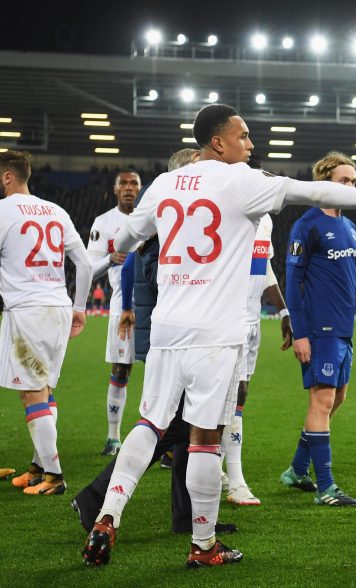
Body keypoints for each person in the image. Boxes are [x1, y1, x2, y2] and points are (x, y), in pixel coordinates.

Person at [81, 103, 356, 569]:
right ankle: (203, 547)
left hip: (166, 328)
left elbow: (122, 242)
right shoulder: (242, 180)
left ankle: (108, 516)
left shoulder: (163, 184)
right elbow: (316, 190)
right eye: (243, 136)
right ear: (217, 142)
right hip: (217, 333)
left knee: (149, 424)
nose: (251, 144)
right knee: (205, 438)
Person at [71, 147, 239, 537]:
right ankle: (96, 498)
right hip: (177, 338)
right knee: (173, 427)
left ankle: (185, 515)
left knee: (184, 428)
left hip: (172, 334)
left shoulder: (165, 218)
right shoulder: (172, 220)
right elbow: (132, 263)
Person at [280, 151, 356, 506]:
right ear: (323, 184)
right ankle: (326, 487)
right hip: (318, 327)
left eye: (354, 182)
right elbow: (292, 280)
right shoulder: (307, 225)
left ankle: (298, 469)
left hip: (344, 328)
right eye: (344, 182)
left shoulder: (349, 227)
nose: (351, 187)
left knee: (336, 398)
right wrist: (299, 332)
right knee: (323, 398)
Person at [0, 149, 92, 495]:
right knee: (45, 390)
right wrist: (79, 307)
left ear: (8, 177)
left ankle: (54, 476)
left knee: (31, 392)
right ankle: (39, 467)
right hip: (58, 307)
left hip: (27, 310)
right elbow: (83, 265)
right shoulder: (55, 210)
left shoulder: (2, 211)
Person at [221, 156, 294, 507]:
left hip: (251, 319)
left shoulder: (264, 221)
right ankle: (234, 480)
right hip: (225, 318)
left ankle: (218, 469)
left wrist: (282, 309)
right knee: (225, 398)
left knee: (239, 396)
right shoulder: (229, 214)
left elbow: (262, 266)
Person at [87, 169, 142, 456]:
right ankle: (113, 437)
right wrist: (109, 258)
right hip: (122, 304)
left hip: (157, 303)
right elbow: (88, 268)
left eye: (134, 183)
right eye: (124, 184)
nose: (130, 188)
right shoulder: (104, 223)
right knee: (122, 369)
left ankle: (169, 443)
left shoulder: (151, 215)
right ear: (115, 189)